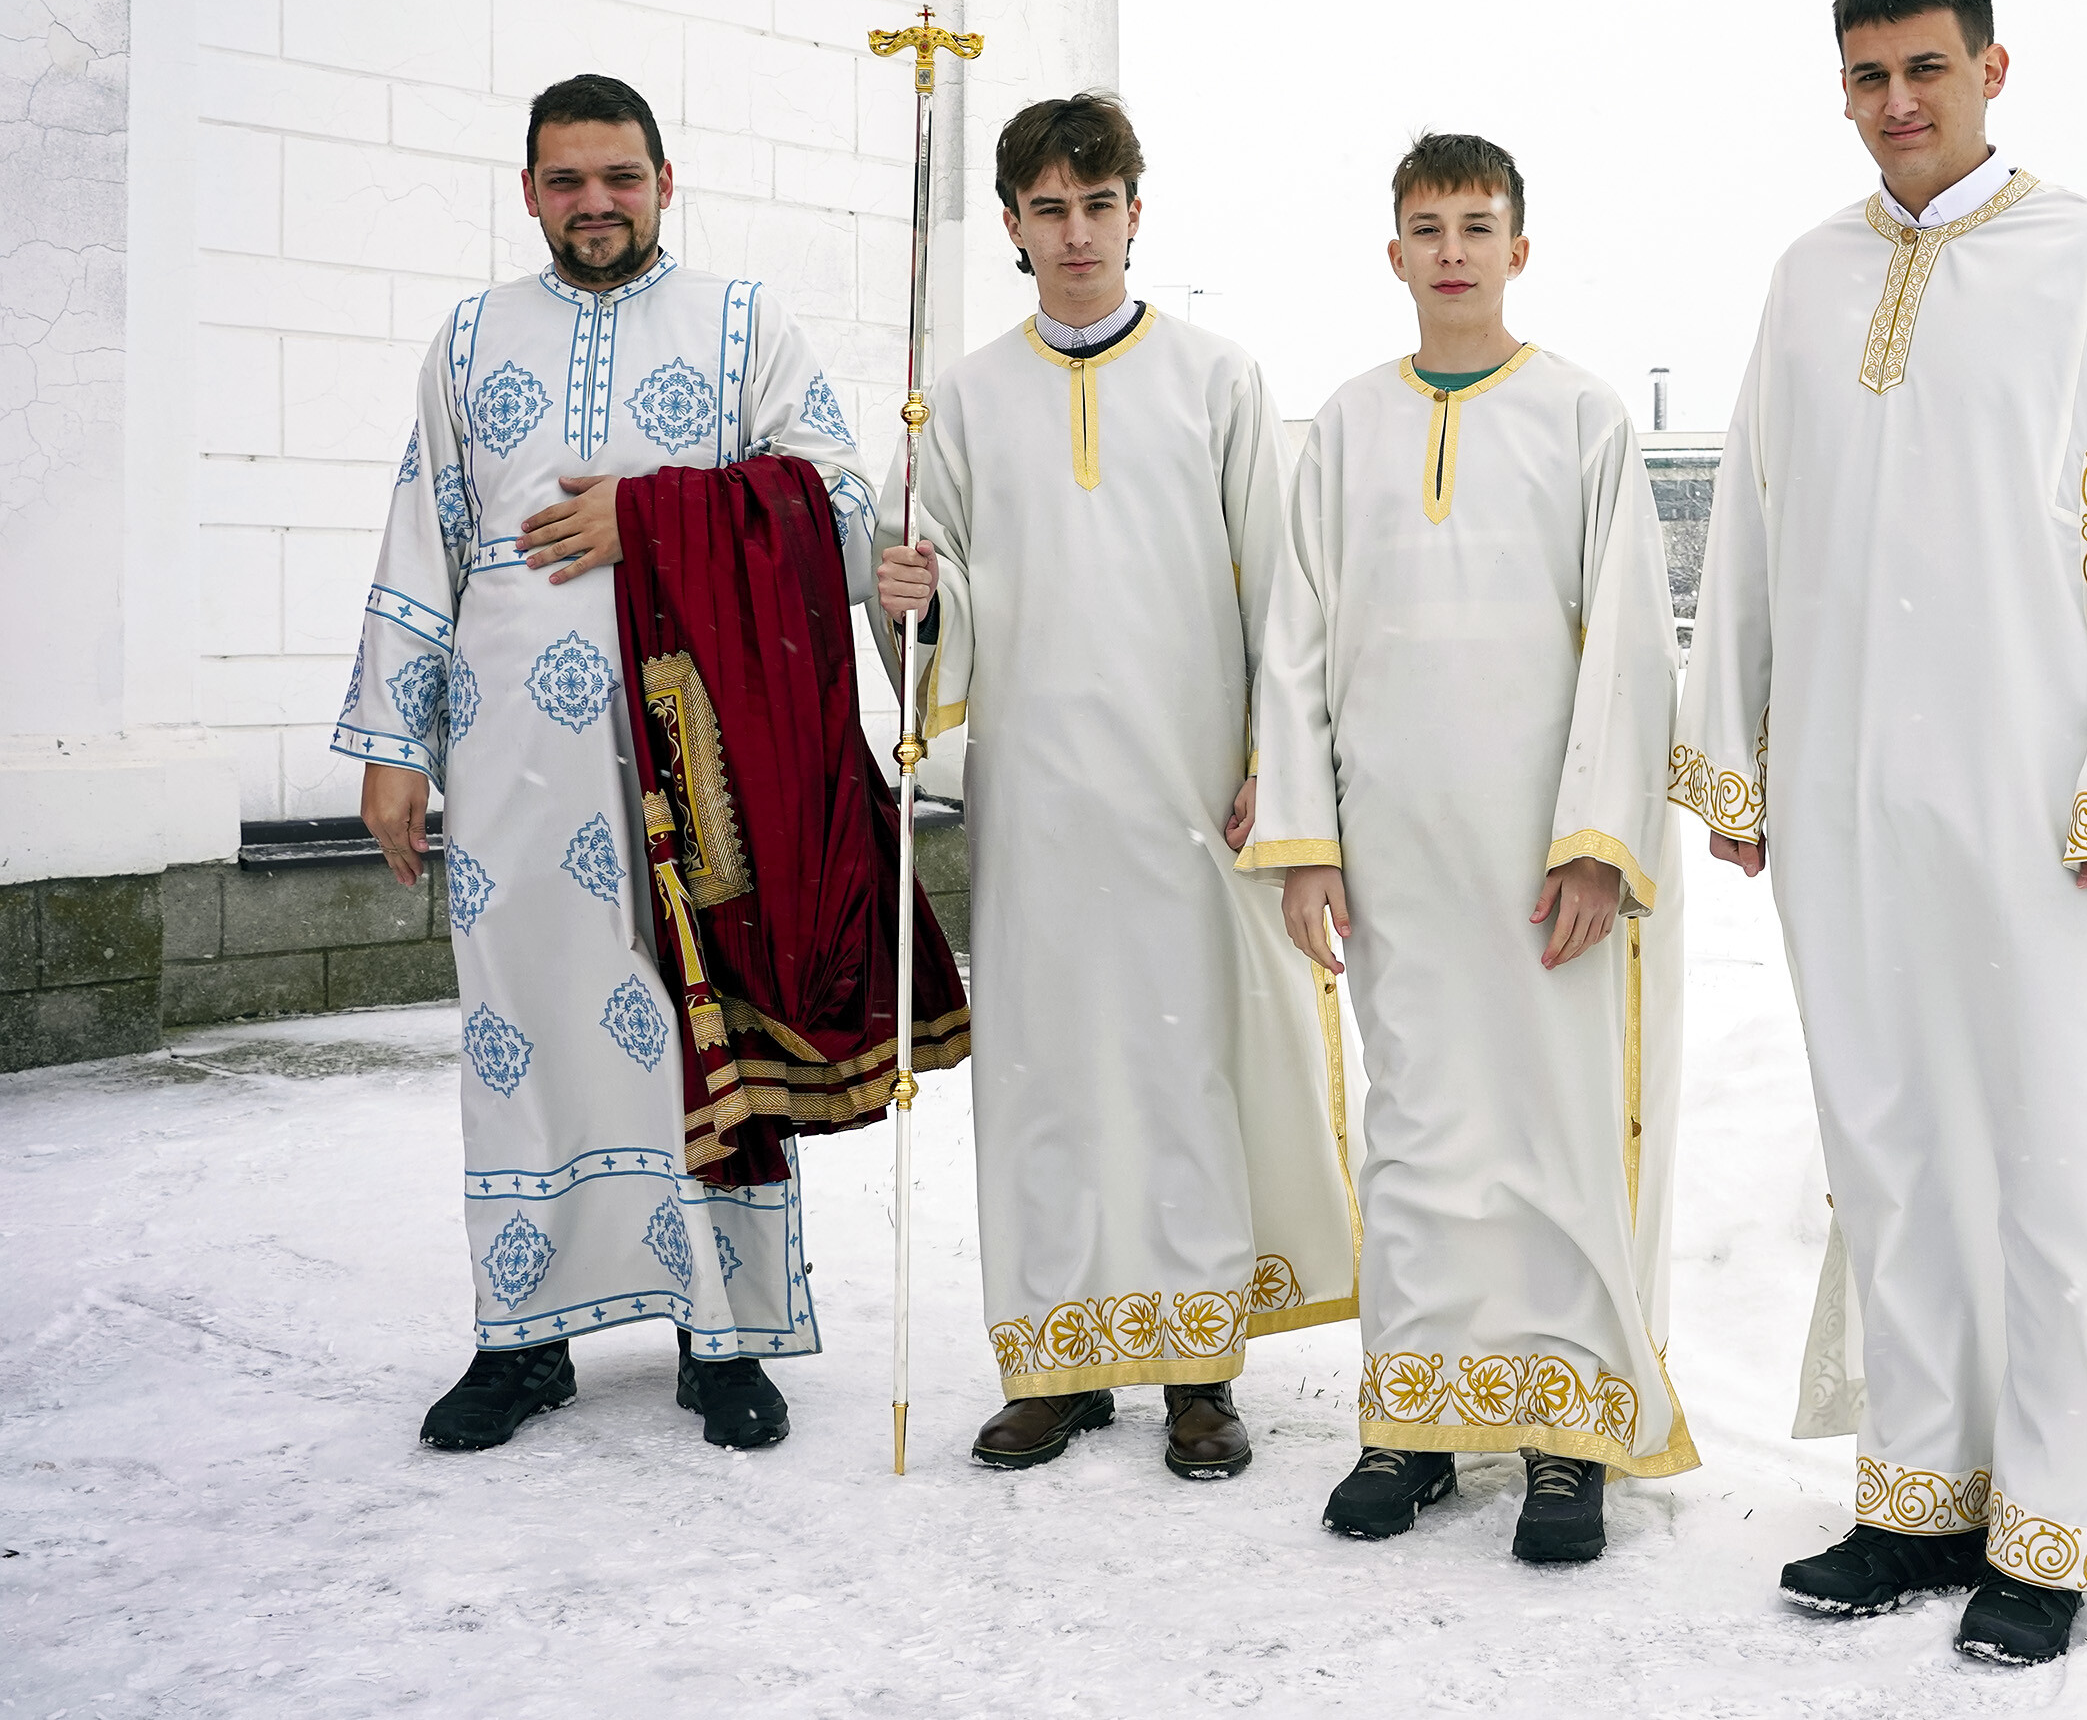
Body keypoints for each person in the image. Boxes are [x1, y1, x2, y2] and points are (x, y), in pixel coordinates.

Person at [1673, 0, 2087, 1665]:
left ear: (1992, 69)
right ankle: (1920, 1491)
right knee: (1892, 1147)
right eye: (1866, 77)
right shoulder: (1806, 278)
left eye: (1924, 68)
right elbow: (1753, 518)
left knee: (2052, 1159)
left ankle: (2056, 1520)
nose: (1896, 104)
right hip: (1848, 794)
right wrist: (1739, 752)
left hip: (2039, 799)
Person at [342, 73, 884, 1452]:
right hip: (511, 752)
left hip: (693, 753)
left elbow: (836, 501)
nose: (596, 203)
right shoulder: (472, 338)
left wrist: (650, 517)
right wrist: (395, 746)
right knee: (518, 1028)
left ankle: (724, 1336)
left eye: (621, 177)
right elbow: (426, 533)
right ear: (530, 191)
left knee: (702, 1022)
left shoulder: (743, 323)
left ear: (664, 182)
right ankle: (521, 1339)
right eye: (568, 180)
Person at [873, 93, 1354, 1483]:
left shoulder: (1215, 379)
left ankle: (1199, 1369)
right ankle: (1057, 1362)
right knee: (1046, 1071)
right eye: (1049, 209)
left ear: (1137, 214)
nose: (1076, 232)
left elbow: (1282, 588)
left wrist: (1275, 762)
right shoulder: (960, 400)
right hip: (1037, 797)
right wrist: (912, 591)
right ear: (1013, 227)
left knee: (1180, 1064)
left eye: (1098, 205)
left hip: (1188, 786)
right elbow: (938, 594)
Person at [1244, 133, 1693, 1565]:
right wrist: (1307, 841)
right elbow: (1296, 643)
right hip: (1398, 849)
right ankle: (1417, 1420)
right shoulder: (1346, 425)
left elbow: (1630, 643)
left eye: (1477, 226)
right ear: (1393, 252)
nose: (1452, 251)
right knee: (1423, 1135)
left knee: (1554, 1132)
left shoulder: (1580, 417)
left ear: (1519, 248)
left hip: (1543, 856)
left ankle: (1567, 1432)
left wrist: (1597, 840)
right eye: (1427, 227)